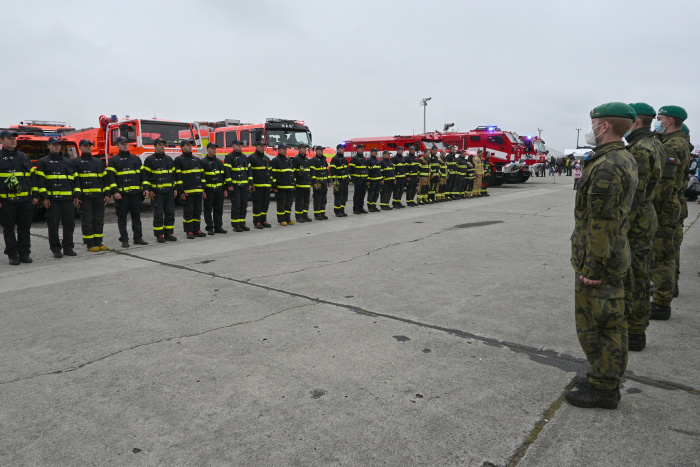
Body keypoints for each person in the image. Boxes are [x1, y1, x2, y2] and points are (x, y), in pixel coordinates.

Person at [566, 102, 638, 410]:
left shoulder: (607, 166)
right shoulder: (622, 157)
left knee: (598, 324)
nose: (590, 127)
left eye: (593, 122)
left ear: (604, 126)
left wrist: (592, 268)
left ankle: (604, 388)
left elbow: (601, 223)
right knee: (611, 320)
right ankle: (602, 375)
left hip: (601, 259)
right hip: (613, 254)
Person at [623, 103, 664, 351]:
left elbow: (634, 198)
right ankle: (636, 328)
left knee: (636, 278)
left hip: (637, 222)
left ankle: (635, 331)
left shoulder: (640, 149)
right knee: (641, 273)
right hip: (646, 218)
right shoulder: (655, 143)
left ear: (636, 120)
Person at [650, 105, 689, 319]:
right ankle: (669, 288)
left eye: (660, 118)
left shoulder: (672, 146)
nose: (658, 121)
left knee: (662, 255)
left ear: (670, 121)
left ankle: (661, 303)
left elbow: (664, 186)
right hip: (671, 206)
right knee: (669, 251)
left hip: (664, 209)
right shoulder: (673, 142)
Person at [34, 136, 80, 258]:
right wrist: (44, 197)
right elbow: (40, 182)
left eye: (58, 144)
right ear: (48, 146)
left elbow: (75, 180)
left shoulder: (68, 162)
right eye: (54, 144)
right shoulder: (43, 162)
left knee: (69, 224)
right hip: (52, 200)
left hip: (67, 200)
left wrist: (76, 195)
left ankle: (68, 247)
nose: (57, 146)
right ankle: (56, 249)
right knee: (53, 226)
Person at [0, 130, 37, 265]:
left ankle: (24, 253)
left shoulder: (23, 157)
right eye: (9, 138)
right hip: (6, 201)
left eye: (14, 138)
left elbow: (32, 177)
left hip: (25, 201)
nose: (13, 140)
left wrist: (34, 195)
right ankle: (12, 254)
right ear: (2, 141)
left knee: (24, 228)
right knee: (9, 228)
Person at [108, 136, 148, 248]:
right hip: (122, 195)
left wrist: (145, 188)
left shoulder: (135, 158)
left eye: (126, 143)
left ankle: (138, 238)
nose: (125, 145)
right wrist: (115, 192)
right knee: (122, 218)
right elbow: (111, 178)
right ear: (118, 145)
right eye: (122, 143)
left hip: (135, 194)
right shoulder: (113, 160)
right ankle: (124, 240)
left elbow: (143, 175)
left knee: (136, 217)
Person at [73, 139, 111, 250]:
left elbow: (105, 180)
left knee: (99, 220)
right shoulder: (75, 162)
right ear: (80, 147)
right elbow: (75, 181)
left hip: (99, 197)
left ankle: (99, 241)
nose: (88, 147)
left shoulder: (98, 162)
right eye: (85, 146)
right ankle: (90, 243)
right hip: (85, 198)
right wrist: (77, 196)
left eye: (90, 146)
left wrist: (107, 194)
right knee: (87, 221)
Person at [142, 138, 177, 243]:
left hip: (169, 191)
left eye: (163, 144)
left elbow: (173, 176)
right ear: (155, 146)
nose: (162, 146)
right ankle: (159, 235)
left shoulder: (169, 159)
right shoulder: (149, 160)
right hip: (157, 192)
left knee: (170, 213)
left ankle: (169, 233)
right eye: (159, 144)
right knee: (158, 214)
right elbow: (146, 177)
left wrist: (174, 188)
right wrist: (149, 190)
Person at [174, 139, 207, 239]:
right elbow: (178, 177)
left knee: (197, 211)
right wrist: (181, 191)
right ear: (182, 147)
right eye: (187, 145)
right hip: (187, 192)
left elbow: (202, 175)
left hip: (198, 191)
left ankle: (197, 229)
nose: (190, 146)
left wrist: (203, 189)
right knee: (188, 212)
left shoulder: (196, 159)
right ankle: (189, 231)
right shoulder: (179, 160)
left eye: (190, 145)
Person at [224, 139, 252, 232]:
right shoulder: (229, 157)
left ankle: (242, 223)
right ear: (233, 146)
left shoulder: (244, 157)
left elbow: (249, 171)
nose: (239, 146)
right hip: (235, 186)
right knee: (236, 205)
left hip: (244, 186)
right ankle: (236, 225)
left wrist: (250, 183)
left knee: (244, 205)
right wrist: (229, 185)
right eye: (237, 145)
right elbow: (227, 172)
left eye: (240, 145)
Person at [201, 142, 227, 235]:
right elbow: (202, 177)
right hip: (209, 190)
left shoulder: (219, 162)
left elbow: (223, 176)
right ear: (207, 149)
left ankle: (218, 227)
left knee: (218, 209)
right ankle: (210, 227)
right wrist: (203, 190)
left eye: (215, 148)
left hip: (219, 190)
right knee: (208, 209)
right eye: (212, 148)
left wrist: (225, 189)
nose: (214, 150)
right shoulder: (203, 162)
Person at [249, 141, 272, 229]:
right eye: (261, 146)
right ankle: (257, 222)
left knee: (265, 204)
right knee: (257, 204)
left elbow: (269, 172)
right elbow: (250, 172)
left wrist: (270, 184)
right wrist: (251, 184)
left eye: (264, 146)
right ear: (257, 146)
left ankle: (263, 220)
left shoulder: (266, 158)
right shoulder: (252, 158)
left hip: (266, 186)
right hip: (257, 186)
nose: (263, 148)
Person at [270, 143, 295, 225]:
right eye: (283, 149)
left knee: (288, 204)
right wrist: (274, 186)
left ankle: (288, 219)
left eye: (286, 149)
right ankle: (281, 220)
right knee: (281, 204)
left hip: (289, 186)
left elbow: (291, 173)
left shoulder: (288, 160)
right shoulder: (275, 161)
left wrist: (293, 184)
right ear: (279, 150)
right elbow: (272, 175)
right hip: (281, 187)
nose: (285, 150)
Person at [291, 143, 313, 222]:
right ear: (299, 149)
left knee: (306, 201)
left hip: (307, 185)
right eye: (303, 148)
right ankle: (299, 216)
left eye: (305, 148)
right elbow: (293, 172)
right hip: (299, 185)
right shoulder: (296, 159)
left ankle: (305, 215)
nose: (305, 149)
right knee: (299, 201)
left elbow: (309, 172)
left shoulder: (307, 160)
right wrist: (294, 183)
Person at [310, 145, 330, 220]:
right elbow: (312, 173)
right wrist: (314, 183)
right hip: (318, 183)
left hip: (324, 183)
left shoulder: (324, 160)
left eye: (322, 150)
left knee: (324, 199)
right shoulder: (313, 160)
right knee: (317, 199)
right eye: (320, 150)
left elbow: (327, 171)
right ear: (316, 151)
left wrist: (329, 181)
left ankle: (323, 213)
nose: (322, 151)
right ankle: (317, 214)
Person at [329, 144, 350, 216]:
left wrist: (348, 179)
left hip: (344, 181)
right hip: (338, 182)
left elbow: (347, 170)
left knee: (344, 197)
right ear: (338, 149)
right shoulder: (335, 159)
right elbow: (332, 171)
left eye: (343, 148)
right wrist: (334, 181)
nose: (343, 150)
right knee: (338, 196)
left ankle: (342, 210)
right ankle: (337, 211)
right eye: (341, 148)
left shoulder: (344, 159)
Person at [349, 144, 368, 214]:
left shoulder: (363, 158)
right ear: (357, 149)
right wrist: (353, 179)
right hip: (357, 179)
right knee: (357, 194)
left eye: (363, 148)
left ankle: (361, 207)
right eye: (361, 148)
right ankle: (356, 209)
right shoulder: (354, 158)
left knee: (362, 194)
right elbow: (351, 170)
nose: (363, 149)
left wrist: (366, 178)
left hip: (363, 179)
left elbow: (366, 169)